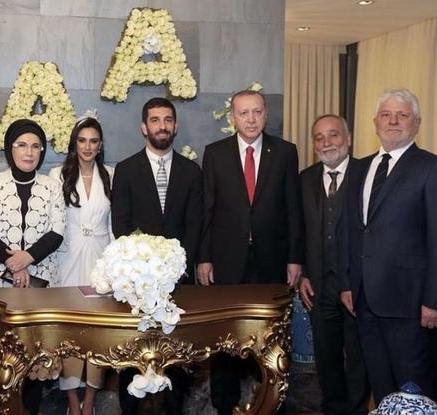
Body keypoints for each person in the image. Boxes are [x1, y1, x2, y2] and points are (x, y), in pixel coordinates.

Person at [197, 89, 303, 414]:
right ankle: (224, 405)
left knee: (271, 339)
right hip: (227, 262)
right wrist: (204, 257)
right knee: (224, 340)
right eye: (244, 113)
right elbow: (207, 209)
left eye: (257, 111)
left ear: (266, 114)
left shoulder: (285, 152)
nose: (251, 119)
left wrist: (295, 257)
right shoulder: (215, 153)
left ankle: (271, 403)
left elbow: (293, 209)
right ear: (232, 118)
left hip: (271, 261)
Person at [340, 88, 437, 404]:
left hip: (410, 304)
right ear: (375, 122)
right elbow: (352, 231)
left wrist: (433, 300)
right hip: (364, 301)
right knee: (382, 388)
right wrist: (348, 283)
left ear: (417, 123)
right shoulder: (361, 168)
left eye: (402, 115)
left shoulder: (430, 167)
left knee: (414, 391)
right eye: (386, 115)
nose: (393, 121)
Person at [111, 97, 203, 415]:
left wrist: (177, 268)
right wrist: (144, 268)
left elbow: (195, 225)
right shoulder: (126, 170)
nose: (162, 126)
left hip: (179, 281)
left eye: (167, 120)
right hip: (137, 284)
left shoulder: (191, 171)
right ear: (143, 127)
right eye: (155, 120)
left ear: (175, 126)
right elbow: (121, 226)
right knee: (132, 354)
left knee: (177, 355)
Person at [0, 118, 65, 414]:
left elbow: (57, 232)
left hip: (40, 284)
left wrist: (28, 258)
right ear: (10, 149)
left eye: (36, 146)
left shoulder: (52, 187)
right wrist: (14, 263)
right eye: (22, 145)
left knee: (34, 355)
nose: (29, 152)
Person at [299, 114, 369, 415]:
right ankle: (333, 407)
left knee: (358, 354)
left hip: (357, 282)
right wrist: (303, 273)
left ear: (348, 138)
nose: (326, 143)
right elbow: (299, 230)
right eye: (319, 137)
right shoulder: (305, 178)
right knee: (326, 355)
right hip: (319, 283)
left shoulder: (367, 173)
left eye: (333, 135)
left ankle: (356, 409)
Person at [49, 115, 113, 415]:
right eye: (82, 140)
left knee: (98, 332)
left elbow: (113, 225)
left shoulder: (110, 175)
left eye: (93, 141)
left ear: (100, 145)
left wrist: (115, 265)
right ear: (74, 144)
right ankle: (73, 402)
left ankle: (90, 402)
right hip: (68, 258)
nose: (87, 147)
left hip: (101, 260)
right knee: (70, 332)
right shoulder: (57, 174)